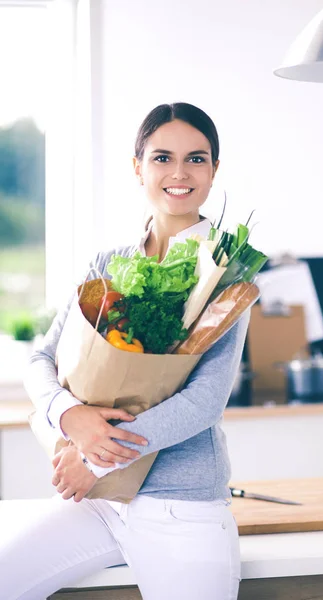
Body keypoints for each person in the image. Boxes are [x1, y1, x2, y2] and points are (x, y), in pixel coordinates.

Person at [1, 102, 250, 600]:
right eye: (162, 157)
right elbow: (40, 359)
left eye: (196, 159)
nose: (179, 173)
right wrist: (69, 415)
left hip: (179, 507)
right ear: (138, 167)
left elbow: (206, 402)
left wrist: (96, 459)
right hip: (99, 502)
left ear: (214, 170)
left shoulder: (228, 270)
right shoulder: (109, 262)